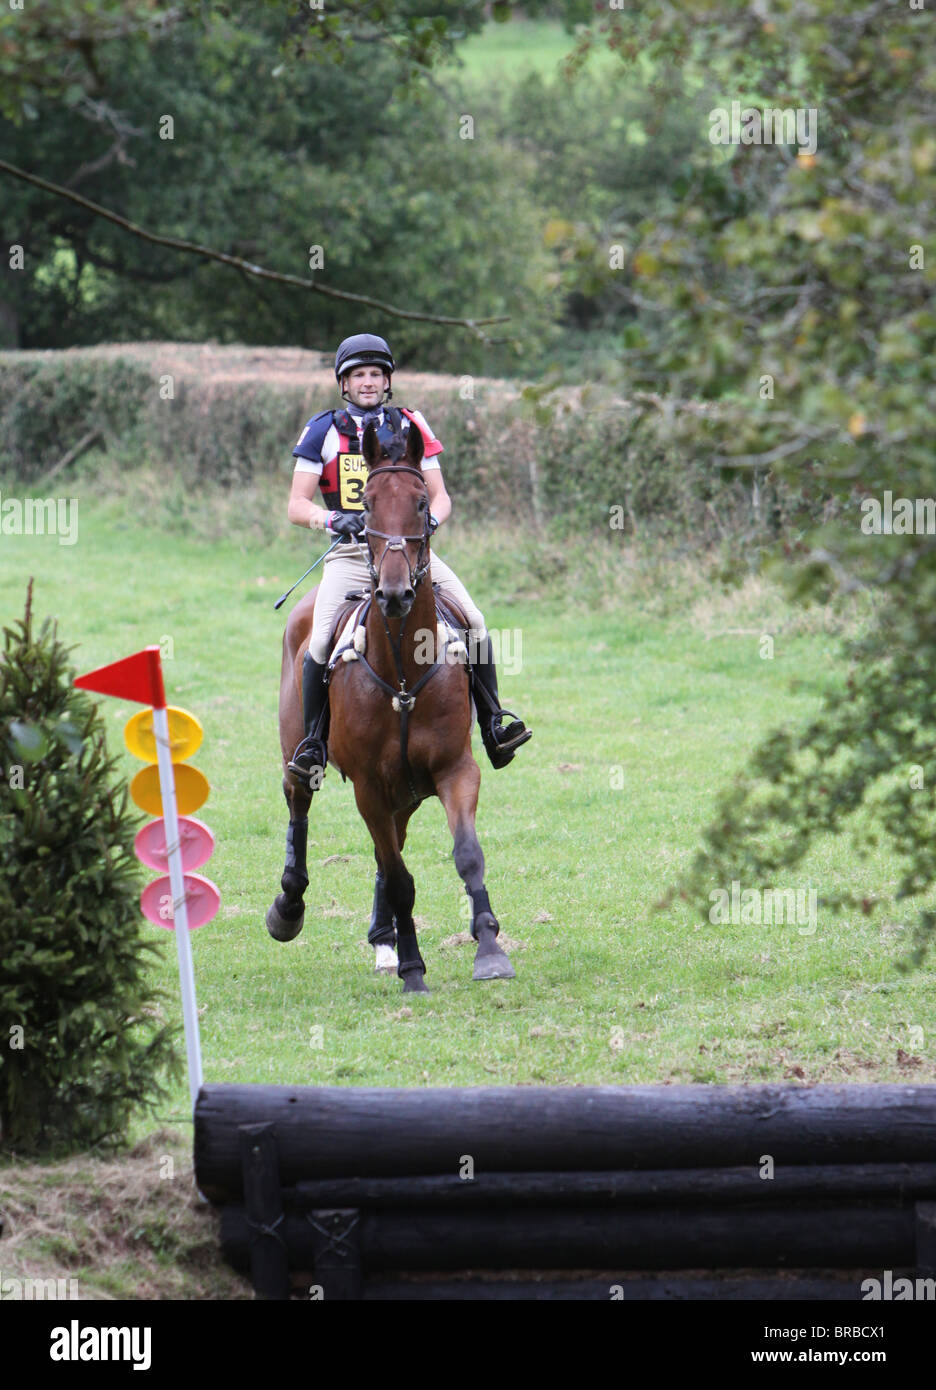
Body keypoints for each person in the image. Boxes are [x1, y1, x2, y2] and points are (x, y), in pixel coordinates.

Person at [285, 332, 531, 788]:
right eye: (358, 374)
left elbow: (441, 497)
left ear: (388, 379)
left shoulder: (412, 424)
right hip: (353, 557)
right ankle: (314, 744)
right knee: (319, 643)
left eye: (376, 373)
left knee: (474, 620)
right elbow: (296, 506)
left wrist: (428, 526)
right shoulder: (322, 430)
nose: (367, 382)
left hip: (412, 557)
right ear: (344, 383)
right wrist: (331, 519)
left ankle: (494, 723)